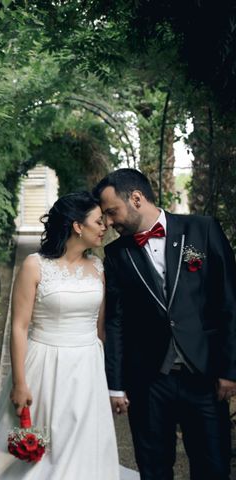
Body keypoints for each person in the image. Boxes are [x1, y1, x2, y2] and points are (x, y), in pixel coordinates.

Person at [94, 168, 236, 480]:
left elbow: (229, 301)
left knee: (213, 465)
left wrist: (230, 369)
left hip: (205, 375)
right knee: (154, 468)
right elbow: (116, 322)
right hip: (148, 380)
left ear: (136, 198)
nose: (109, 222)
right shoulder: (116, 253)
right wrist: (115, 384)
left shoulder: (202, 229)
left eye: (111, 212)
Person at [0, 191, 120, 479]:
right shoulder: (34, 265)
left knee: (82, 449)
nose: (105, 227)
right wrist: (20, 382)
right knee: (41, 450)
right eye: (99, 221)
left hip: (87, 367)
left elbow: (99, 328)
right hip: (44, 365)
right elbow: (19, 327)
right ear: (78, 225)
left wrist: (108, 379)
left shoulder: (99, 267)